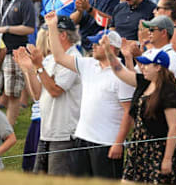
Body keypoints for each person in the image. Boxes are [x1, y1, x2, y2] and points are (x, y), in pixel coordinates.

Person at [45, 12, 135, 179]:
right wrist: (51, 26)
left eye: (98, 44)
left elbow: (128, 112)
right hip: (83, 138)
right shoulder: (88, 64)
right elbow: (59, 57)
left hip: (106, 143)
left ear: (112, 48)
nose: (93, 46)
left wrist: (118, 143)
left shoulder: (122, 74)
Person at [104, 41, 176, 185]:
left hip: (159, 149)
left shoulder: (169, 90)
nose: (142, 68)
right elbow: (119, 71)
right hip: (138, 147)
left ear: (158, 67)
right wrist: (108, 51)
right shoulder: (144, 82)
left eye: (147, 64)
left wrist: (167, 159)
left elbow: (174, 127)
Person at [13, 16, 82, 176]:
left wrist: (38, 66)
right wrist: (29, 69)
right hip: (47, 131)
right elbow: (37, 94)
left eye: (49, 32)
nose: (47, 37)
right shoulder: (50, 59)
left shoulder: (74, 58)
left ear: (63, 35)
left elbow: (55, 90)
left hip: (64, 135)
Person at [139, 15, 176, 81]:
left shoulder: (171, 56)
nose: (148, 32)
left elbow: (159, 82)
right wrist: (128, 58)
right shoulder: (148, 53)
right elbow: (135, 77)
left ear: (164, 33)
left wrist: (136, 56)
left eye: (152, 29)